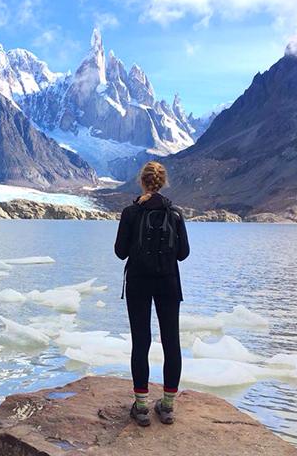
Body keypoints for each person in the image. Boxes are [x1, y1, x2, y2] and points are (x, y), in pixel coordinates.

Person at [114, 161, 190, 426]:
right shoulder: (176, 213)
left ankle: (142, 406)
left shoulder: (131, 212)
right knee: (171, 342)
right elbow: (183, 254)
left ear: (142, 181)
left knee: (141, 341)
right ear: (162, 182)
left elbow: (120, 252)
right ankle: (168, 406)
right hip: (168, 283)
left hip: (138, 283)